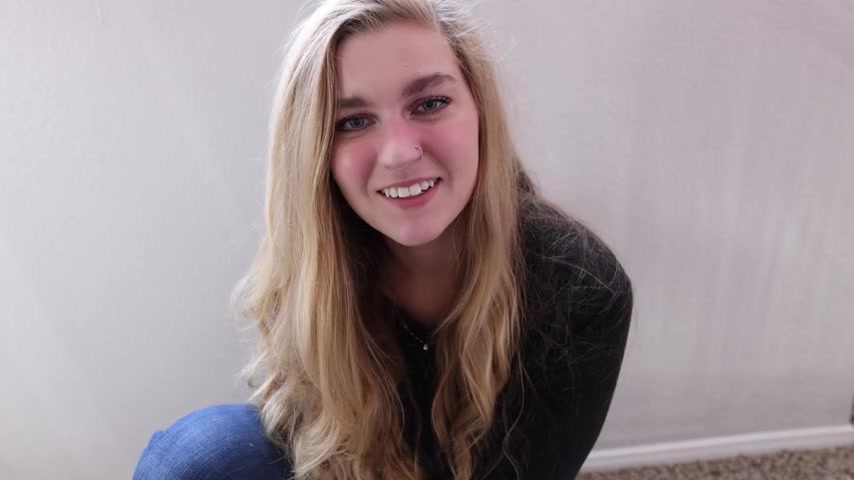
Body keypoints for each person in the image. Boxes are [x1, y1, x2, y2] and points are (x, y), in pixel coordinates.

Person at [134, 0, 633, 478]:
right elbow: (312, 438)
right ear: (316, 153)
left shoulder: (582, 287)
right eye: (353, 122)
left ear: (481, 111)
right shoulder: (320, 255)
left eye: (430, 103)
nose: (398, 153)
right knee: (195, 457)